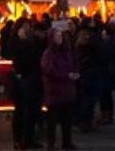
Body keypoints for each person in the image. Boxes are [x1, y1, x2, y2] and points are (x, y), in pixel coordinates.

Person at [42, 26, 80, 151]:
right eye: (57, 36)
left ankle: (67, 142)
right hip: (54, 90)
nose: (60, 38)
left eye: (61, 35)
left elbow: (74, 63)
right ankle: (51, 143)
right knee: (52, 120)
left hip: (67, 90)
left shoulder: (67, 51)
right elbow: (49, 70)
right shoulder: (49, 53)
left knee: (66, 119)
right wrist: (65, 75)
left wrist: (75, 73)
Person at [10, 21, 45, 150]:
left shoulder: (32, 42)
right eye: (24, 26)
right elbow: (18, 59)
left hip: (33, 80)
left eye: (28, 26)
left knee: (32, 112)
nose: (27, 29)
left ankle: (29, 139)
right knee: (21, 111)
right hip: (22, 81)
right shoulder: (17, 42)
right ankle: (19, 140)